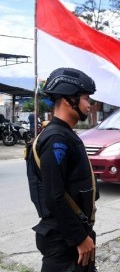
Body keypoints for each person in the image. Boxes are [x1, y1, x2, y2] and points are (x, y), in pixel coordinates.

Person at [26, 68, 98, 271]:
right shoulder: (56, 139)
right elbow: (54, 196)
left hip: (72, 234)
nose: (90, 105)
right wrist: (79, 238)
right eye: (86, 98)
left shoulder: (64, 134)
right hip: (63, 240)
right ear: (69, 100)